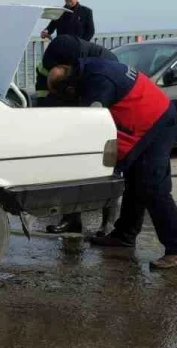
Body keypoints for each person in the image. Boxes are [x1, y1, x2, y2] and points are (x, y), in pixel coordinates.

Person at [46, 58, 177, 269]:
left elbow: (92, 122)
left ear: (69, 86)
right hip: (150, 116)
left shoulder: (98, 82)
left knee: (153, 188)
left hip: (156, 122)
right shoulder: (87, 69)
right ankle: (124, 235)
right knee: (135, 182)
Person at [37, 35, 121, 236]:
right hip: (75, 114)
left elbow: (99, 107)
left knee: (107, 169)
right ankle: (71, 220)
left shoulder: (104, 66)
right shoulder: (50, 63)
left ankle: (108, 223)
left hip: (102, 118)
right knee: (70, 169)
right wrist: (43, 112)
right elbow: (43, 90)